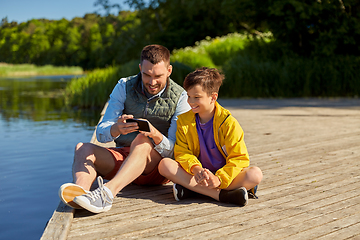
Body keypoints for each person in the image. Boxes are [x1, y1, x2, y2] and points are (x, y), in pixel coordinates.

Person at [58, 44, 191, 213]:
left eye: (158, 76)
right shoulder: (123, 86)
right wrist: (116, 129)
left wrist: (155, 135)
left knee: (142, 141)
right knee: (82, 148)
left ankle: (106, 195)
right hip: (124, 162)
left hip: (156, 168)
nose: (152, 82)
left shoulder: (181, 97)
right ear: (140, 68)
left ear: (169, 70)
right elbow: (101, 132)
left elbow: (175, 151)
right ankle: (80, 194)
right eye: (147, 75)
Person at [158, 67, 263, 206]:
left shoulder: (229, 123)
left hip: (224, 176)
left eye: (197, 97)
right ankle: (221, 195)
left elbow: (239, 158)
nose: (190, 101)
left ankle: (192, 190)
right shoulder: (184, 121)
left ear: (213, 97)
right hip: (197, 175)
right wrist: (196, 169)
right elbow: (182, 152)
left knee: (255, 175)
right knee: (165, 165)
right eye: (189, 96)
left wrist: (219, 179)